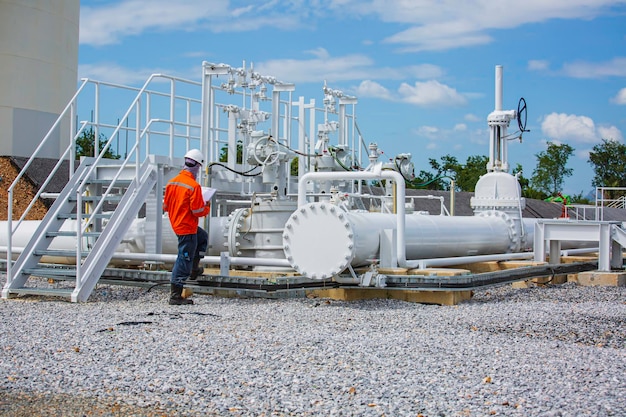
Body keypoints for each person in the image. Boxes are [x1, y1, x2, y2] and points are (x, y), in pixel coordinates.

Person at [163, 149, 210, 305]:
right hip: (187, 227)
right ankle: (175, 296)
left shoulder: (172, 182)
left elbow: (166, 207)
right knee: (184, 258)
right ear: (197, 166)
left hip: (177, 223)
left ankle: (194, 269)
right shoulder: (193, 186)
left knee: (202, 237)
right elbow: (197, 211)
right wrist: (207, 205)